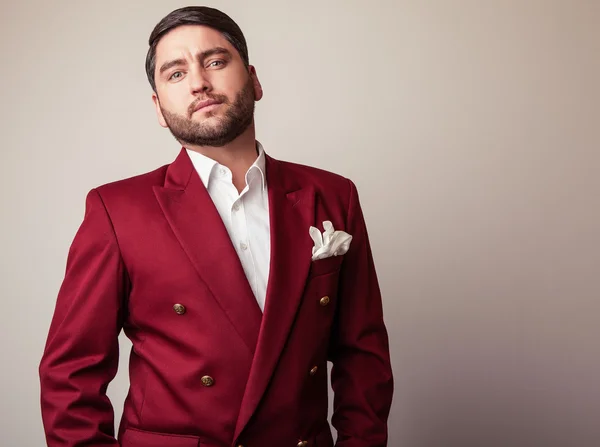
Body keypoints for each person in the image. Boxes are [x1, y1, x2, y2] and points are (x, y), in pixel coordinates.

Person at [39, 6, 393, 447]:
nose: (198, 82)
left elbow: (364, 355)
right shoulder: (115, 210)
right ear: (159, 109)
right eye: (175, 74)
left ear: (254, 79)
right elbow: (70, 375)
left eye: (215, 61)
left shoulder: (334, 195)